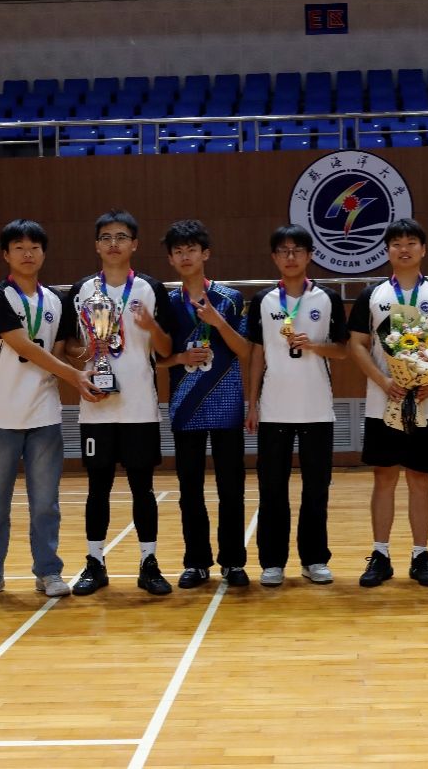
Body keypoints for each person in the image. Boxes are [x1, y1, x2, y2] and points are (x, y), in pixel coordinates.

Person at [0, 219, 102, 601]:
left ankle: (49, 572)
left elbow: (60, 349)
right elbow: (23, 345)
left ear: (43, 253)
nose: (27, 253)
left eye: (34, 247)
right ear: (6, 254)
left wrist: (90, 350)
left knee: (45, 504)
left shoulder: (57, 299)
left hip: (44, 415)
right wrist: (75, 376)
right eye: (19, 247)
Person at [65, 210, 176, 597]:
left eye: (121, 237)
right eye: (106, 237)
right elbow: (68, 346)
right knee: (97, 488)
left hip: (140, 408)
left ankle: (149, 563)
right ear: (97, 245)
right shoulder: (81, 290)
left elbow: (167, 350)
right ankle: (95, 562)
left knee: (142, 488)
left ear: (135, 244)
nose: (114, 244)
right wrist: (88, 352)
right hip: (96, 407)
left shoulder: (150, 288)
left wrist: (151, 327)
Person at [347, 218, 428, 588]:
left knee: (419, 479)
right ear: (387, 251)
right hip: (383, 403)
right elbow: (357, 344)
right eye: (396, 243)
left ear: (423, 249)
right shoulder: (372, 295)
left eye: (411, 242)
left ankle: (420, 555)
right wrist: (383, 381)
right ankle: (380, 554)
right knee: (384, 478)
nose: (404, 248)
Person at [245, 225, 348, 587]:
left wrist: (315, 345)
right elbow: (256, 354)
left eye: (297, 251)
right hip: (274, 410)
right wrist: (252, 404)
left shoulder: (328, 298)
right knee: (272, 490)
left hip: (317, 410)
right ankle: (272, 562)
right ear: (274, 257)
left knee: (316, 489)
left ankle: (314, 559)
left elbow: (343, 350)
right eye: (283, 251)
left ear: (309, 256)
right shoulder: (263, 300)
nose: (290, 257)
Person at [161, 219, 251, 589]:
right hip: (185, 406)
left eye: (192, 250)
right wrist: (180, 358)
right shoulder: (167, 304)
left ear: (205, 254)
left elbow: (246, 350)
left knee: (231, 488)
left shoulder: (230, 299)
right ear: (171, 259)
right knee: (190, 490)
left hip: (227, 402)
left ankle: (233, 562)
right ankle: (196, 562)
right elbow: (158, 359)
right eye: (178, 251)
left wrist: (217, 321)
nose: (185, 256)